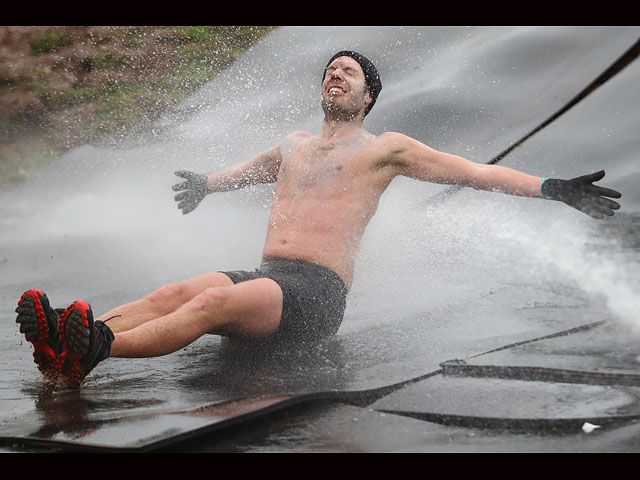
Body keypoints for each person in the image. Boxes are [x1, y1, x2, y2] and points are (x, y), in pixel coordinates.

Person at [16, 51, 622, 389]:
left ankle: (97, 348)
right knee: (178, 290)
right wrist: (206, 184)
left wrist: (552, 188)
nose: (335, 75)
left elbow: (473, 172)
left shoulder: (387, 148)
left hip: (314, 295)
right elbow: (248, 170)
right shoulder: (295, 144)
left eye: (348, 72)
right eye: (330, 70)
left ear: (369, 97)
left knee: (204, 309)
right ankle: (64, 338)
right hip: (269, 275)